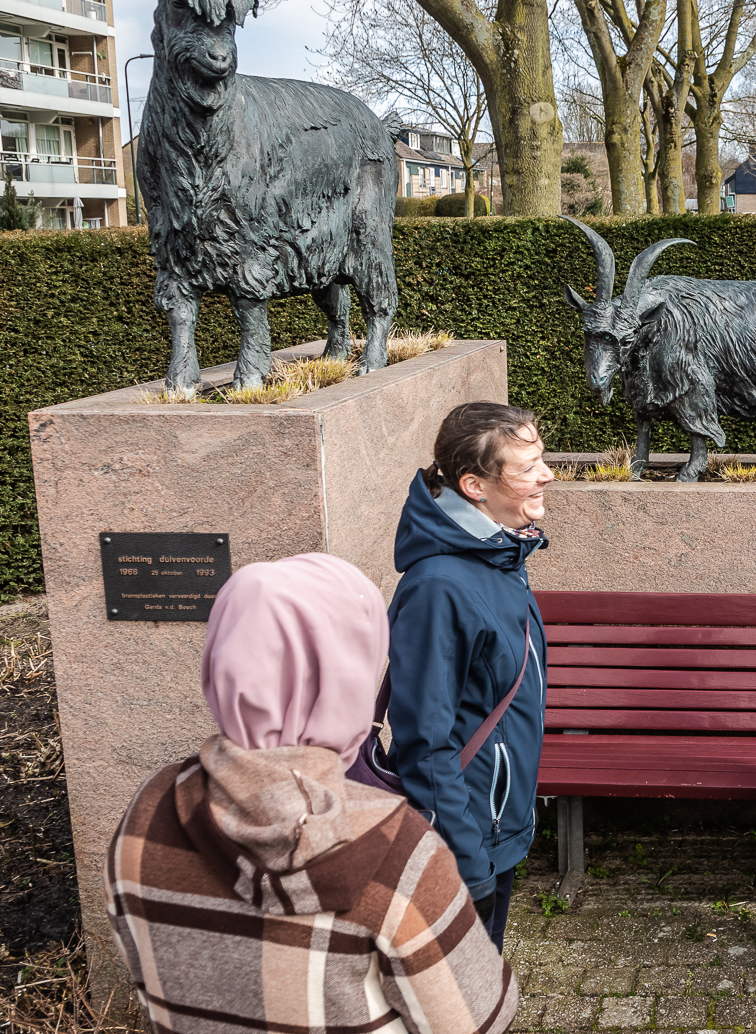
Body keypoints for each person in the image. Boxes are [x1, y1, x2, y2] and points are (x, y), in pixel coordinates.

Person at [104, 553, 519, 1034]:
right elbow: (474, 1021)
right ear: (349, 673)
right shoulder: (396, 844)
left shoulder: (151, 805)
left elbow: (139, 961)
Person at [386, 402, 557, 950]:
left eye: (542, 460)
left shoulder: (498, 550)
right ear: (474, 486)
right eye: (527, 467)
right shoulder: (440, 585)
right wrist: (466, 862)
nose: (547, 475)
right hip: (467, 840)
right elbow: (424, 742)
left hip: (492, 820)